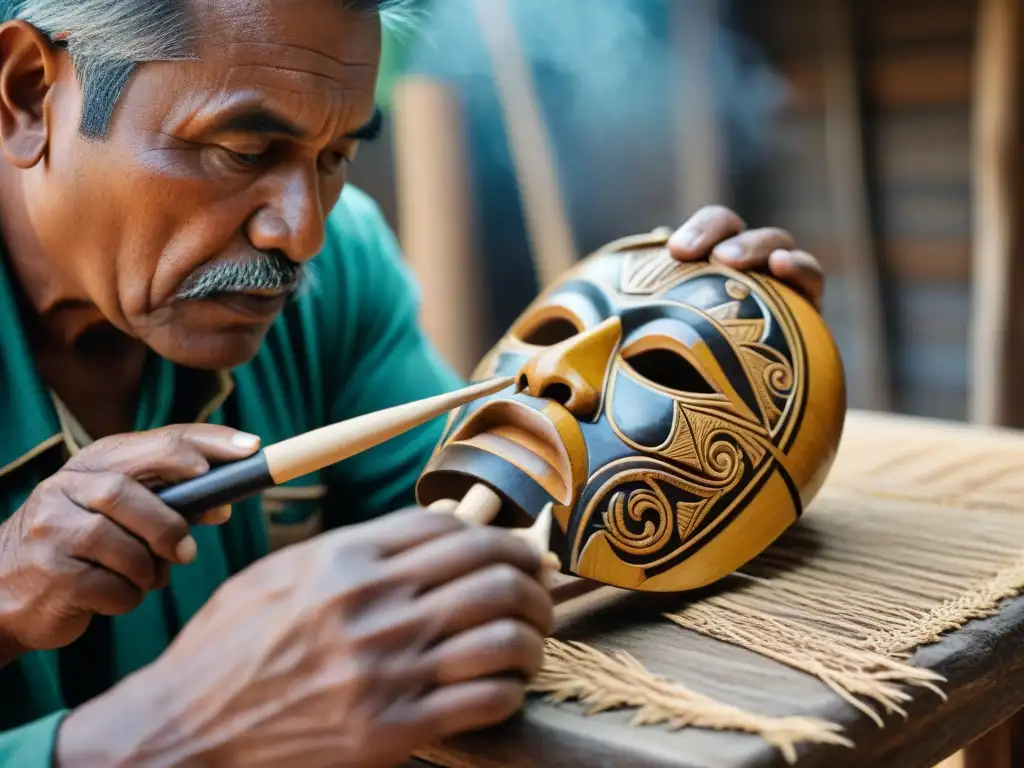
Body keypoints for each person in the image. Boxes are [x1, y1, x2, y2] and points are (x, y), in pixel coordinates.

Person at [0, 0, 826, 765]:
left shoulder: (342, 263)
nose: (302, 232)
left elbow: (500, 520)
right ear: (31, 97)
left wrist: (752, 371)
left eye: (335, 157)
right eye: (242, 151)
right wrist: (168, 734)